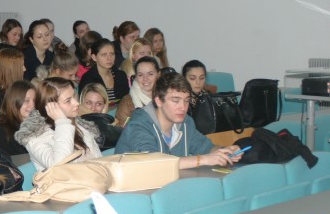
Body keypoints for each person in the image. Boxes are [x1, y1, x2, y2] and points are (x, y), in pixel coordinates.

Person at [114, 73, 242, 168]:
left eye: (186, 101)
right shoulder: (139, 125)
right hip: (133, 190)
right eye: (176, 101)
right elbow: (154, 163)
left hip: (169, 186)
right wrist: (202, 160)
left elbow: (205, 147)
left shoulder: (186, 122)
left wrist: (224, 152)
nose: (183, 107)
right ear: (159, 101)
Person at [15, 77, 101, 170]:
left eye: (74, 96)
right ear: (50, 106)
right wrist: (62, 122)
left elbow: (98, 160)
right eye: (68, 100)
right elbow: (59, 166)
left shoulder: (79, 125)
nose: (76, 103)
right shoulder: (34, 137)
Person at [78, 38, 130, 103]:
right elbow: (85, 104)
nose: (109, 58)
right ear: (94, 57)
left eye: (112, 54)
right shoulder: (87, 79)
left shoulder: (121, 75)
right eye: (104, 55)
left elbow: (127, 101)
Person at [115, 56, 160, 127]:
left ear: (158, 74)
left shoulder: (166, 96)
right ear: (136, 77)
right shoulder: (127, 102)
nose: (145, 78)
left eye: (150, 74)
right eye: (140, 75)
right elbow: (122, 130)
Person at [0, 80, 36, 156]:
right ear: (14, 102)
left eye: (34, 100)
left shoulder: (36, 125)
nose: (32, 105)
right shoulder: (3, 132)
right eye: (26, 101)